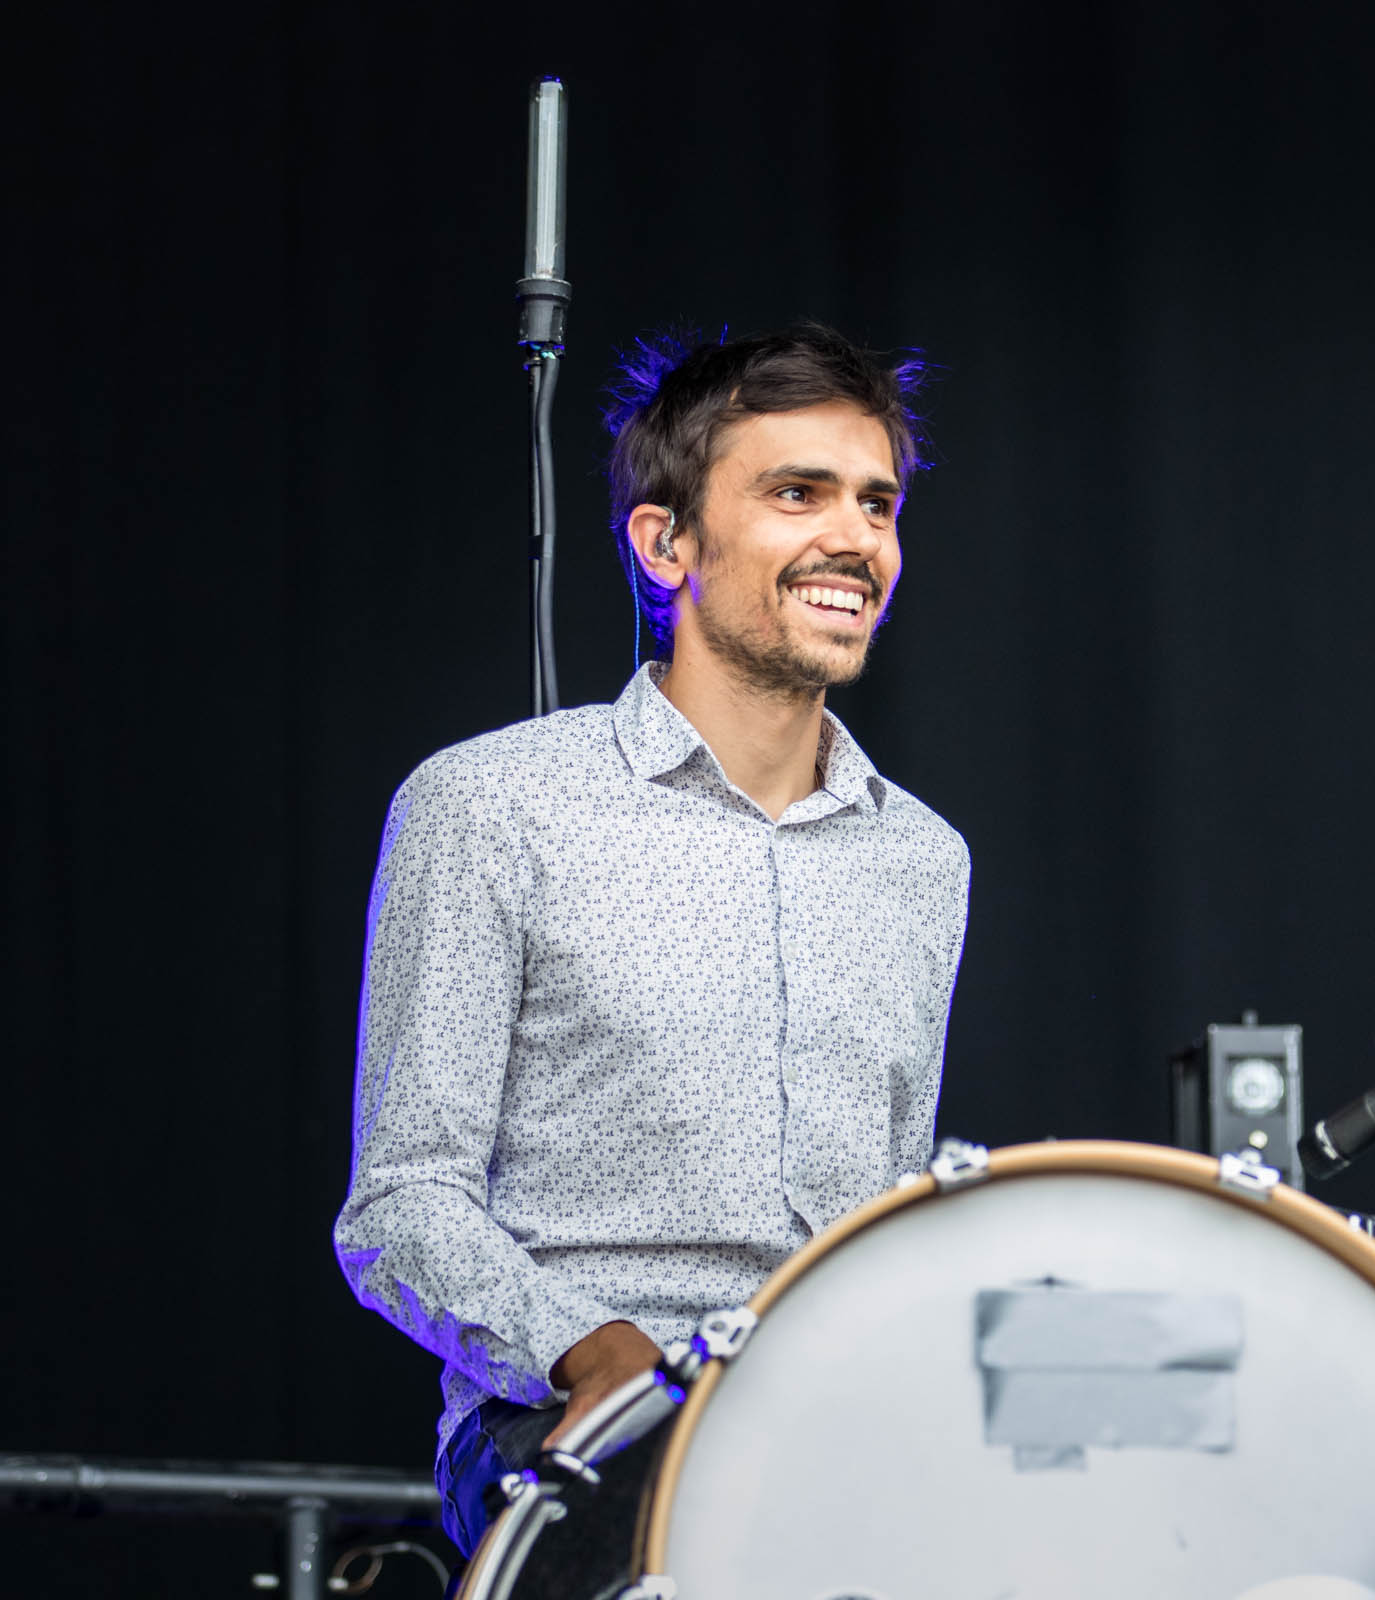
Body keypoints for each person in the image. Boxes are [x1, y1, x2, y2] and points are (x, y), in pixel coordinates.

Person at [334, 322, 970, 1558]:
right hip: (572, 1429)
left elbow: (888, 1213)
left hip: (836, 1431)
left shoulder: (924, 859)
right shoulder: (487, 805)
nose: (856, 538)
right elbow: (400, 1205)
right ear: (663, 540)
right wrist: (595, 1350)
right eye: (799, 493)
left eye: (877, 503)